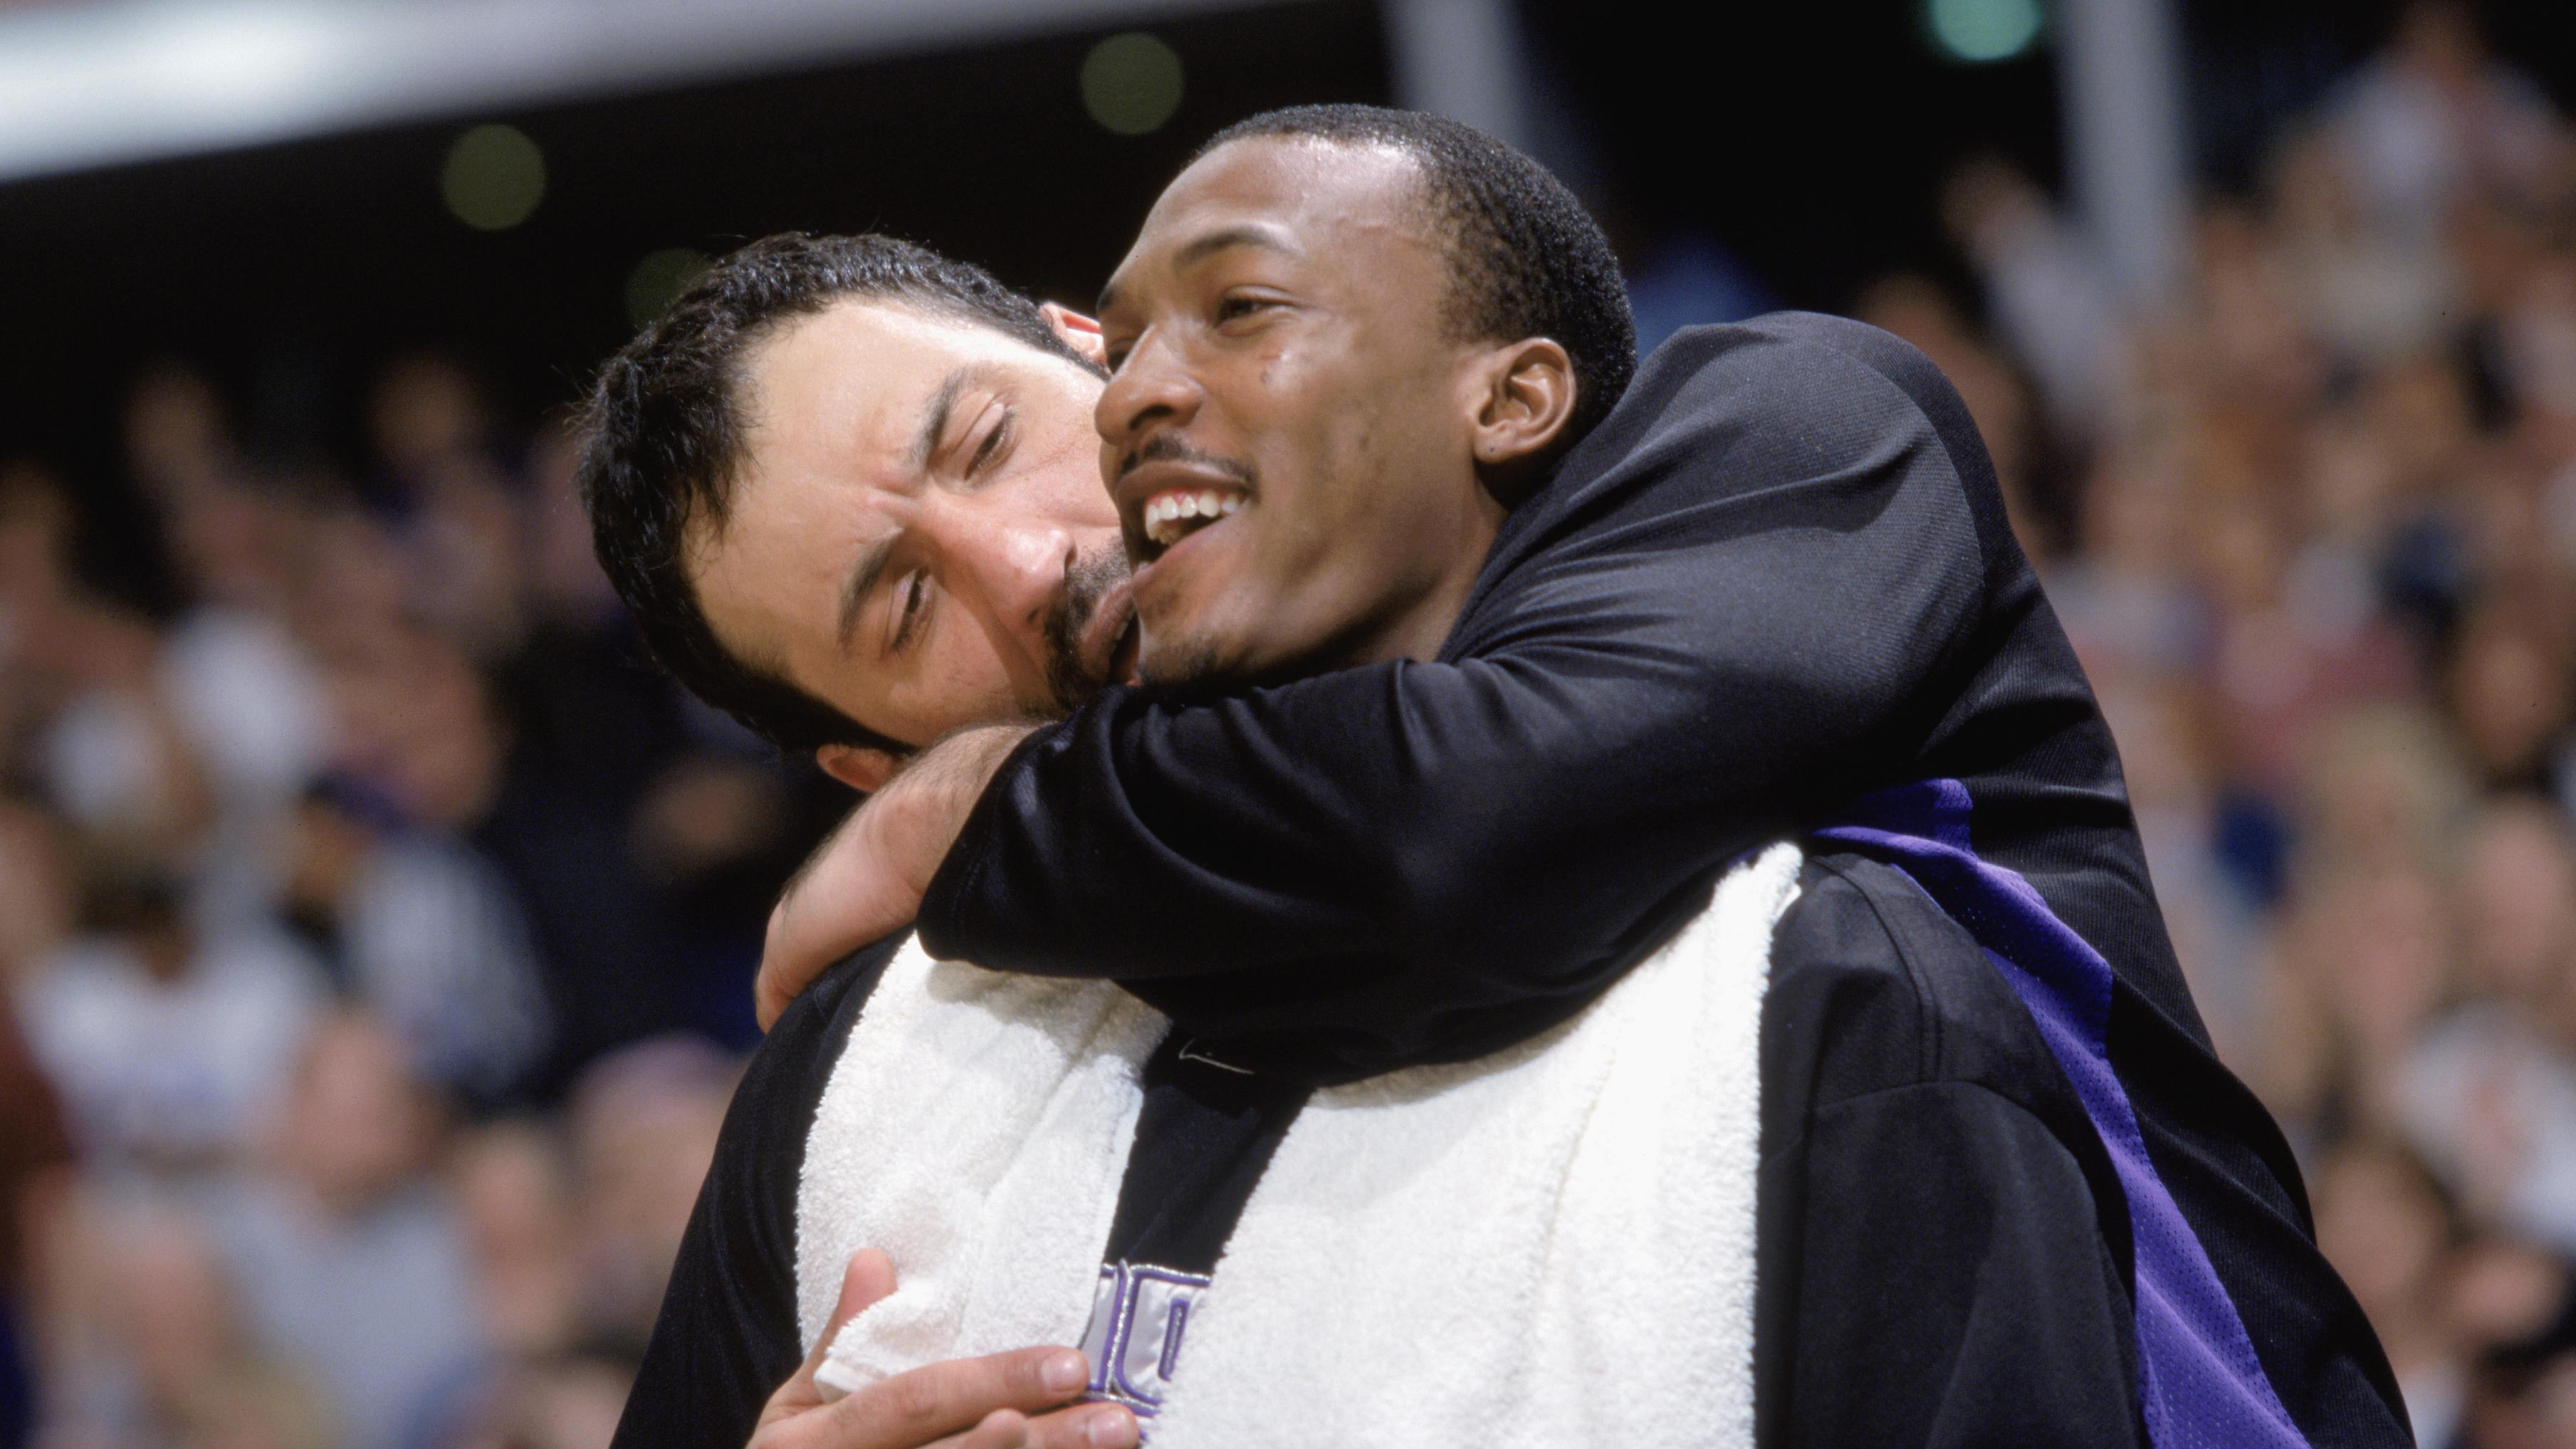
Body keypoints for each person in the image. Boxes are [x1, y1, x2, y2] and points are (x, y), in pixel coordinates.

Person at [583, 108, 2408, 1447]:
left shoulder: (1778, 449)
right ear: (851, 742)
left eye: (985, 440)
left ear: (1091, 350)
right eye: (904, 609)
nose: (1022, 559)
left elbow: (1456, 830)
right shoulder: (865, 1078)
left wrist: (960, 813)